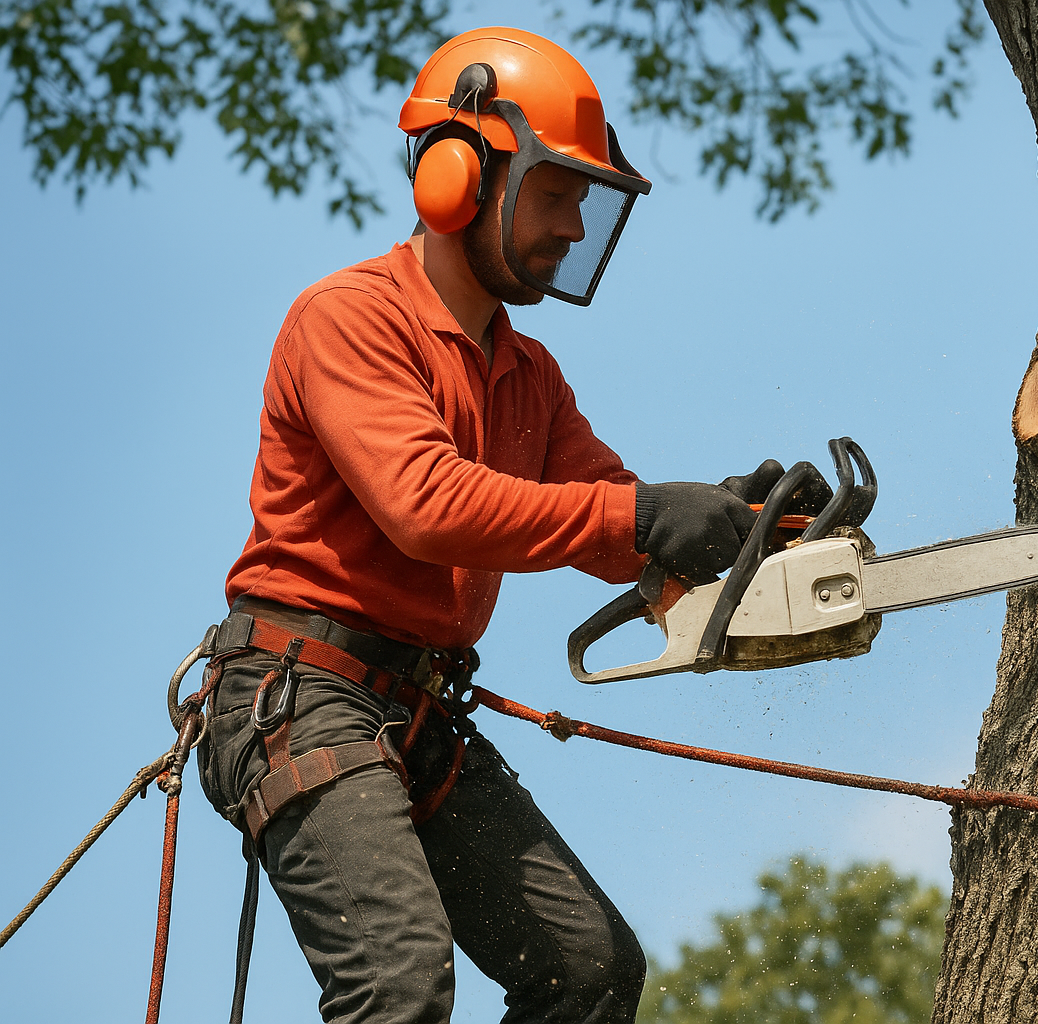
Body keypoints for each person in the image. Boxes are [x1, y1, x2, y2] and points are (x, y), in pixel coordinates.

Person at [195, 27, 814, 1024]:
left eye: (586, 202)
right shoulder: (348, 320)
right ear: (460, 175)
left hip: (418, 711)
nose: (574, 227)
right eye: (559, 192)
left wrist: (732, 521)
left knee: (589, 967)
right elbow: (425, 505)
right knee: (397, 982)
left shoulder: (530, 376)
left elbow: (608, 519)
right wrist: (646, 513)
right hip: (302, 694)